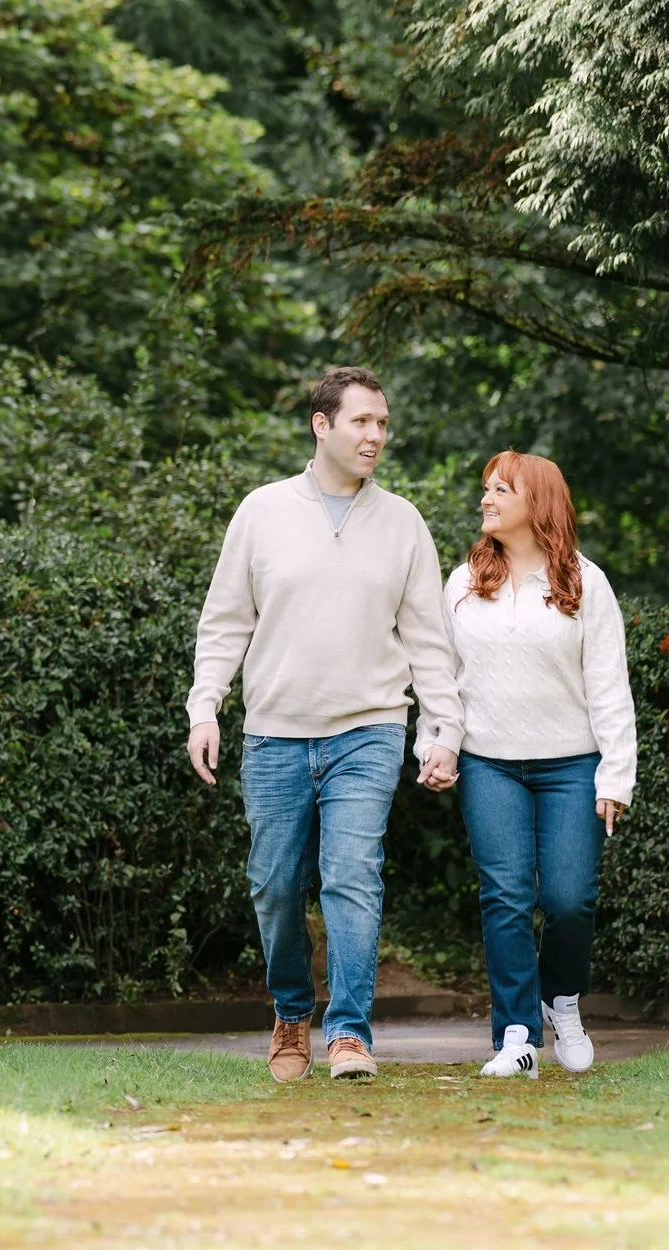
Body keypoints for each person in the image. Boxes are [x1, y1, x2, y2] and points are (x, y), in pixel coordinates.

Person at [188, 367, 464, 1082]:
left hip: (369, 730)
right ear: (322, 424)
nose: (375, 436)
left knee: (351, 877)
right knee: (275, 886)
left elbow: (429, 640)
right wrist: (204, 706)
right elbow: (225, 621)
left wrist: (443, 730)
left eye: (383, 424)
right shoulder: (262, 511)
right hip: (274, 733)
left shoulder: (402, 523)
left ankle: (348, 1033)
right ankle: (290, 1013)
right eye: (361, 421)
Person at [443, 451, 637, 1079]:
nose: (486, 499)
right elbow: (443, 679)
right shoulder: (463, 582)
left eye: (502, 489)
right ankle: (517, 1036)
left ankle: (564, 1002)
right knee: (504, 897)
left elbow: (609, 684)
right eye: (486, 488)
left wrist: (616, 774)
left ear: (538, 502)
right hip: (488, 763)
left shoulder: (584, 582)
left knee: (568, 898)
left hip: (572, 765)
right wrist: (436, 744)